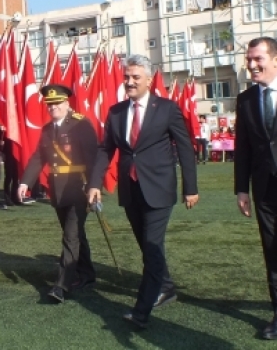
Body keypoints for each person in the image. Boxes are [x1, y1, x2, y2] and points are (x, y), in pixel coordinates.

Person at [87, 54, 199, 329]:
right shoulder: (115, 112)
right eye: (127, 77)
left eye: (136, 77)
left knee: (150, 246)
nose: (130, 82)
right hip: (131, 190)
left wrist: (191, 188)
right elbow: (105, 150)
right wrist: (94, 183)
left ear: (149, 80)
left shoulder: (167, 109)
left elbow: (184, 147)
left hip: (159, 189)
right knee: (148, 245)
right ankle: (167, 286)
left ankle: (141, 310)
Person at [18, 84, 98, 303]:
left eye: (56, 104)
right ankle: (88, 274)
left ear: (66, 103)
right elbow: (38, 157)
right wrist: (25, 182)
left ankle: (61, 286)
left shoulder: (81, 124)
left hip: (79, 189)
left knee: (70, 237)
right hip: (58, 191)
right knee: (76, 235)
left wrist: (94, 185)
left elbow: (93, 157)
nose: (52, 108)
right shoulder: (47, 129)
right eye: (49, 105)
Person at [234, 36, 277, 340]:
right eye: (249, 60)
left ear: (275, 59)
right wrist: (241, 189)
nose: (251, 65)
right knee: (273, 252)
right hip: (265, 189)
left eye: (257, 59)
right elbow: (243, 147)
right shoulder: (246, 99)